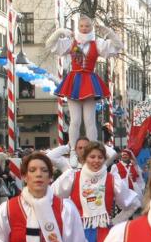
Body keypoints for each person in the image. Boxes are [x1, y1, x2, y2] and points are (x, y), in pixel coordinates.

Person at [46, 15, 123, 168]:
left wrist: (108, 32)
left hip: (89, 80)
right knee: (75, 120)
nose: (84, 29)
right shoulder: (71, 42)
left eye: (87, 26)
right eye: (81, 26)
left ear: (91, 27)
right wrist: (60, 32)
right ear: (78, 27)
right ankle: (73, 151)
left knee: (89, 120)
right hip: (75, 81)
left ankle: (93, 150)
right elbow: (50, 45)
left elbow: (118, 45)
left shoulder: (97, 43)